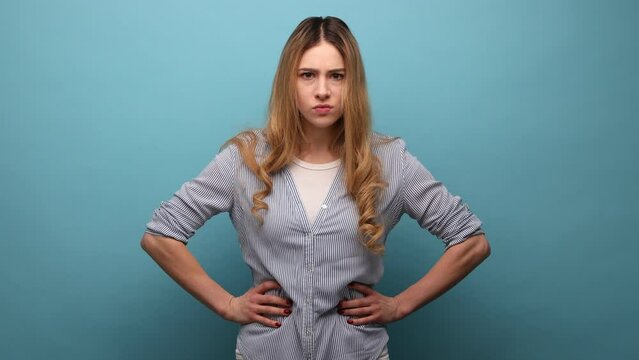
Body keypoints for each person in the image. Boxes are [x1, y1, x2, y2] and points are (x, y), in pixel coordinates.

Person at [140, 16, 490, 360]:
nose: (322, 90)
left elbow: (472, 242)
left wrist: (400, 305)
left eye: (336, 76)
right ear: (288, 83)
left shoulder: (389, 161)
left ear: (353, 84)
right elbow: (160, 235)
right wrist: (227, 304)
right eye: (307, 75)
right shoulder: (243, 159)